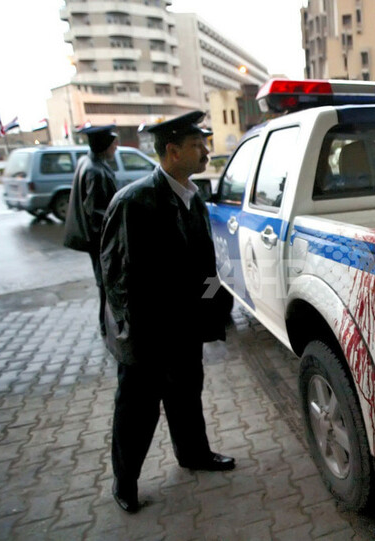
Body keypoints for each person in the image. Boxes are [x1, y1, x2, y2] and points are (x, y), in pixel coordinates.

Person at [100, 111, 234, 514]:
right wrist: (135, 335)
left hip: (185, 328)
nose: (206, 152)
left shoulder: (193, 197)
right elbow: (117, 278)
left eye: (204, 144)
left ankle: (194, 453)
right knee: (137, 410)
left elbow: (207, 265)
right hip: (147, 333)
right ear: (173, 152)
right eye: (197, 146)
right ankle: (125, 481)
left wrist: (212, 305)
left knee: (187, 394)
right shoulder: (134, 202)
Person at [63, 124, 119, 337]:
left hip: (96, 238)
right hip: (99, 239)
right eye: (113, 144)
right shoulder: (95, 171)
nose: (115, 147)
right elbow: (96, 212)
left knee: (104, 281)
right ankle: (107, 325)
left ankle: (107, 323)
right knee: (106, 281)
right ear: (104, 145)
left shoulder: (89, 162)